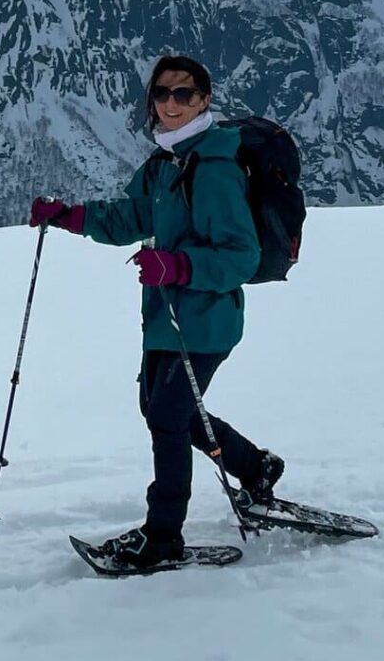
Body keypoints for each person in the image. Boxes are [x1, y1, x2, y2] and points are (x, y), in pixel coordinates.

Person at [29, 53, 283, 571]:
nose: (171, 103)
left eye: (184, 94)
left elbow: (242, 256)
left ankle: (163, 535)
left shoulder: (213, 167)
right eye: (163, 94)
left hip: (206, 320)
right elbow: (131, 217)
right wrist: (70, 216)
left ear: (205, 99)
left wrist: (177, 267)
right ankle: (255, 466)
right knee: (167, 410)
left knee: (167, 416)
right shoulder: (166, 164)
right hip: (167, 318)